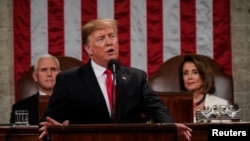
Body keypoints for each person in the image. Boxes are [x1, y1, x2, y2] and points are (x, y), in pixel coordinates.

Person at [38, 18, 192, 140]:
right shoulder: (69, 80)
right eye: (101, 39)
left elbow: (157, 108)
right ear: (88, 49)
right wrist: (56, 129)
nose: (109, 42)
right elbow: (48, 121)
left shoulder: (136, 78)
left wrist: (170, 127)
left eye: (112, 36)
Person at [10, 54, 60, 125]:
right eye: (44, 70)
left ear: (60, 75)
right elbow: (17, 136)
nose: (49, 74)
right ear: (35, 76)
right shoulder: (20, 108)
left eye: (53, 69)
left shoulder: (74, 105)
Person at [177, 54, 229, 122]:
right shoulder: (173, 106)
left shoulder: (221, 105)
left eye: (195, 72)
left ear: (204, 76)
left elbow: (227, 132)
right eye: (185, 73)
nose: (189, 77)